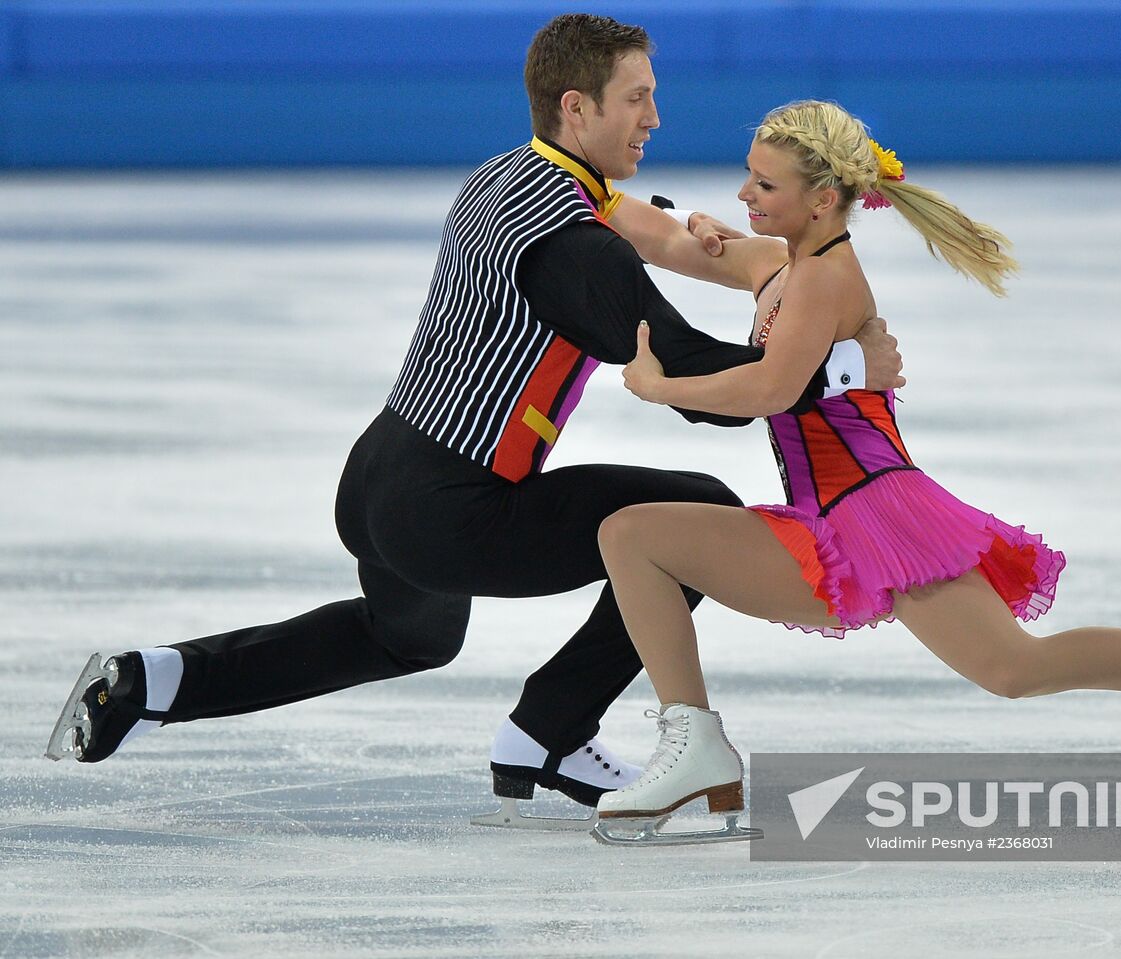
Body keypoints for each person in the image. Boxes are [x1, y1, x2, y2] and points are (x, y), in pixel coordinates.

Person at [44, 17, 905, 824]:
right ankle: (551, 728)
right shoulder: (572, 247)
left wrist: (778, 273)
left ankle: (154, 681)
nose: (655, 116)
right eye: (636, 97)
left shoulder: (516, 176)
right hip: (455, 508)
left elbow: (676, 241)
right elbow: (687, 375)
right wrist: (840, 366)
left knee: (405, 634)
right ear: (579, 107)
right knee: (700, 517)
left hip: (380, 476)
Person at [588, 99, 1121, 830]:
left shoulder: (825, 278)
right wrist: (572, 175)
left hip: (877, 509)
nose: (744, 194)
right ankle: (695, 743)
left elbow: (771, 386)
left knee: (1014, 668)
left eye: (765, 183)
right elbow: (661, 239)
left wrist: (660, 388)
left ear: (823, 199)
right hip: (829, 513)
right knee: (633, 536)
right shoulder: (781, 263)